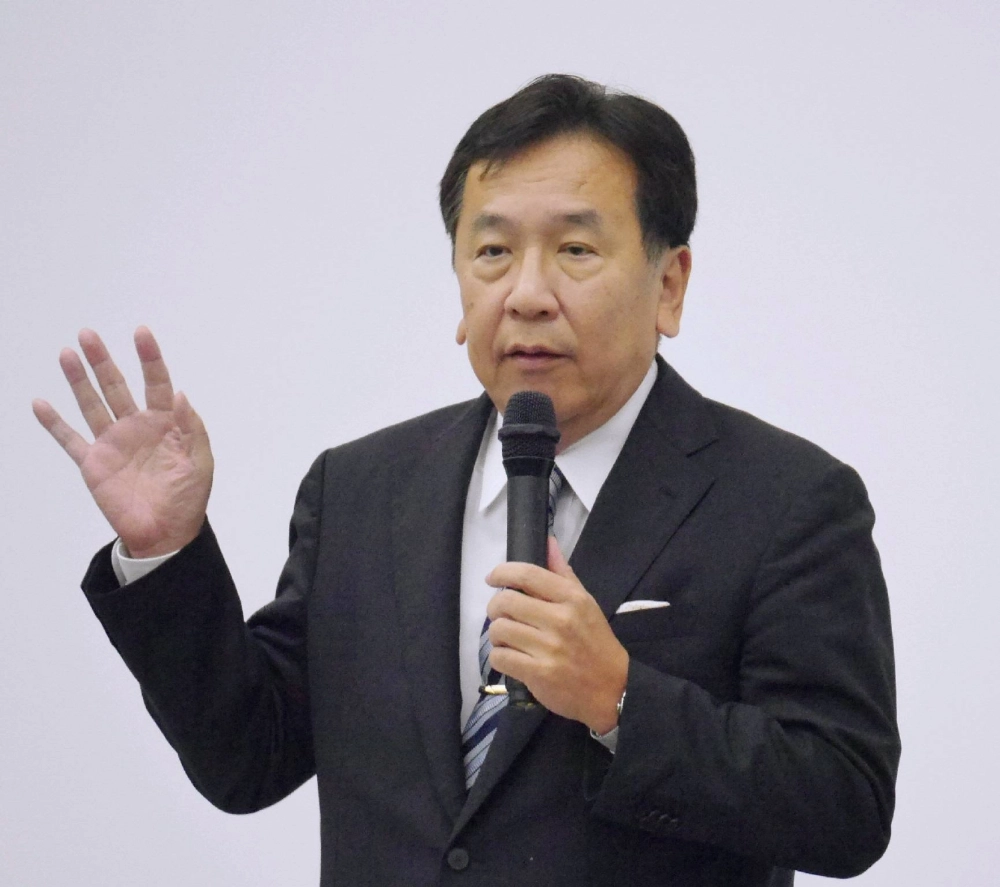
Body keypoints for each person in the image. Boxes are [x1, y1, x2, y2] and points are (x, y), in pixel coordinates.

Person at [33, 74, 899, 886]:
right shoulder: (361, 492)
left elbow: (846, 806)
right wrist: (166, 553)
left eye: (573, 249)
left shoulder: (787, 501)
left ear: (669, 284)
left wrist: (620, 699)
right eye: (492, 250)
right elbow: (247, 757)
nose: (526, 293)